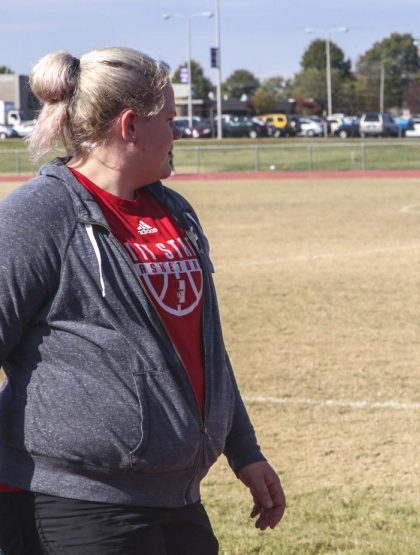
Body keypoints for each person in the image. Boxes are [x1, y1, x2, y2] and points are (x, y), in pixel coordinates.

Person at [0, 47, 285, 553]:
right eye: (171, 119)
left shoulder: (176, 211)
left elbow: (204, 349)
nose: (178, 133)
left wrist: (245, 451)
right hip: (73, 505)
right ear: (130, 126)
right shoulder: (38, 215)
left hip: (178, 502)